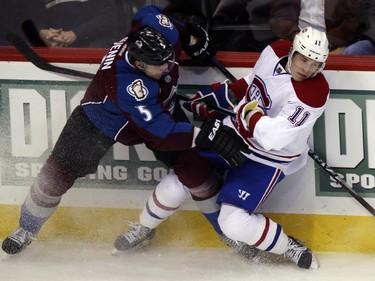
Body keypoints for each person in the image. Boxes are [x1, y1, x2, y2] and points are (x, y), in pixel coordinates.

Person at [1, 5, 250, 256]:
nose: (168, 68)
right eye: (159, 66)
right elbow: (162, 134)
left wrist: (191, 36)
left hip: (159, 110)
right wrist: (206, 135)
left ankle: (229, 233)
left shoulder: (162, 32)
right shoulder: (129, 85)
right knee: (56, 175)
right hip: (101, 121)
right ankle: (26, 228)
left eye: (168, 59)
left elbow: (148, 11)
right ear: (139, 63)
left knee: (197, 170)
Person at [117, 26, 330, 270]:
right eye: (304, 59)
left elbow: (272, 137)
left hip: (268, 157)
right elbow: (254, 83)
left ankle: (289, 246)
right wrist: (220, 96)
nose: (308, 69)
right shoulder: (274, 50)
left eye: (316, 64)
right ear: (292, 51)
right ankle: (144, 228)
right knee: (178, 183)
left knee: (233, 223)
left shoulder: (313, 93)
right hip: (234, 132)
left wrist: (245, 109)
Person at [269, 0, 372, 53]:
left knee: (357, 50)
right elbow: (279, 21)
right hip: (297, 46)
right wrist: (300, 37)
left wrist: (330, 38)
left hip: (336, 47)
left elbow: (356, 22)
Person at [22, 0, 117, 48]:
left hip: (93, 50)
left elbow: (108, 18)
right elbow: (32, 17)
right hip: (51, 51)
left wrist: (75, 34)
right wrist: (42, 32)